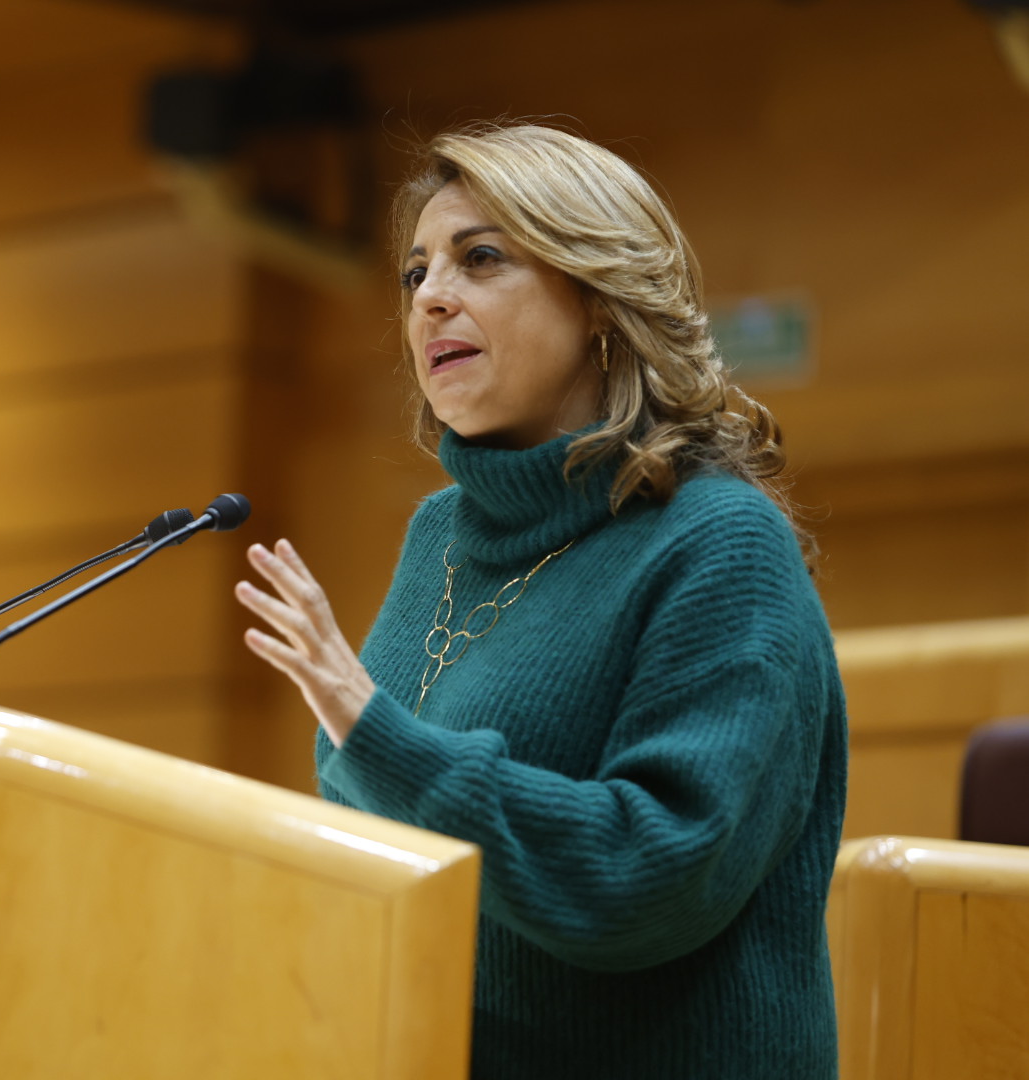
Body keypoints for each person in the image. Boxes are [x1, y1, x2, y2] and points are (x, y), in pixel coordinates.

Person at [233, 122, 847, 1079]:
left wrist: (369, 725)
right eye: (415, 274)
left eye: (481, 259)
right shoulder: (442, 534)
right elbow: (377, 821)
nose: (431, 297)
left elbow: (650, 873)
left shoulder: (720, 544)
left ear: (599, 299)